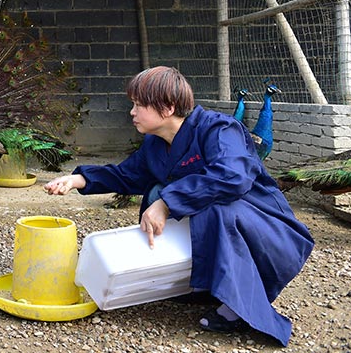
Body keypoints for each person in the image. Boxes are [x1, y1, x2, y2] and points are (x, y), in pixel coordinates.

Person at [43, 66, 313, 347]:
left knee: (211, 206)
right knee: (157, 190)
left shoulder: (219, 129)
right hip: (225, 224)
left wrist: (167, 204)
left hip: (263, 227)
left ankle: (237, 308)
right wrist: (78, 179)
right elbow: (127, 175)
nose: (132, 112)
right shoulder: (155, 144)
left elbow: (233, 176)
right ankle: (197, 284)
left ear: (167, 107)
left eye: (138, 105)